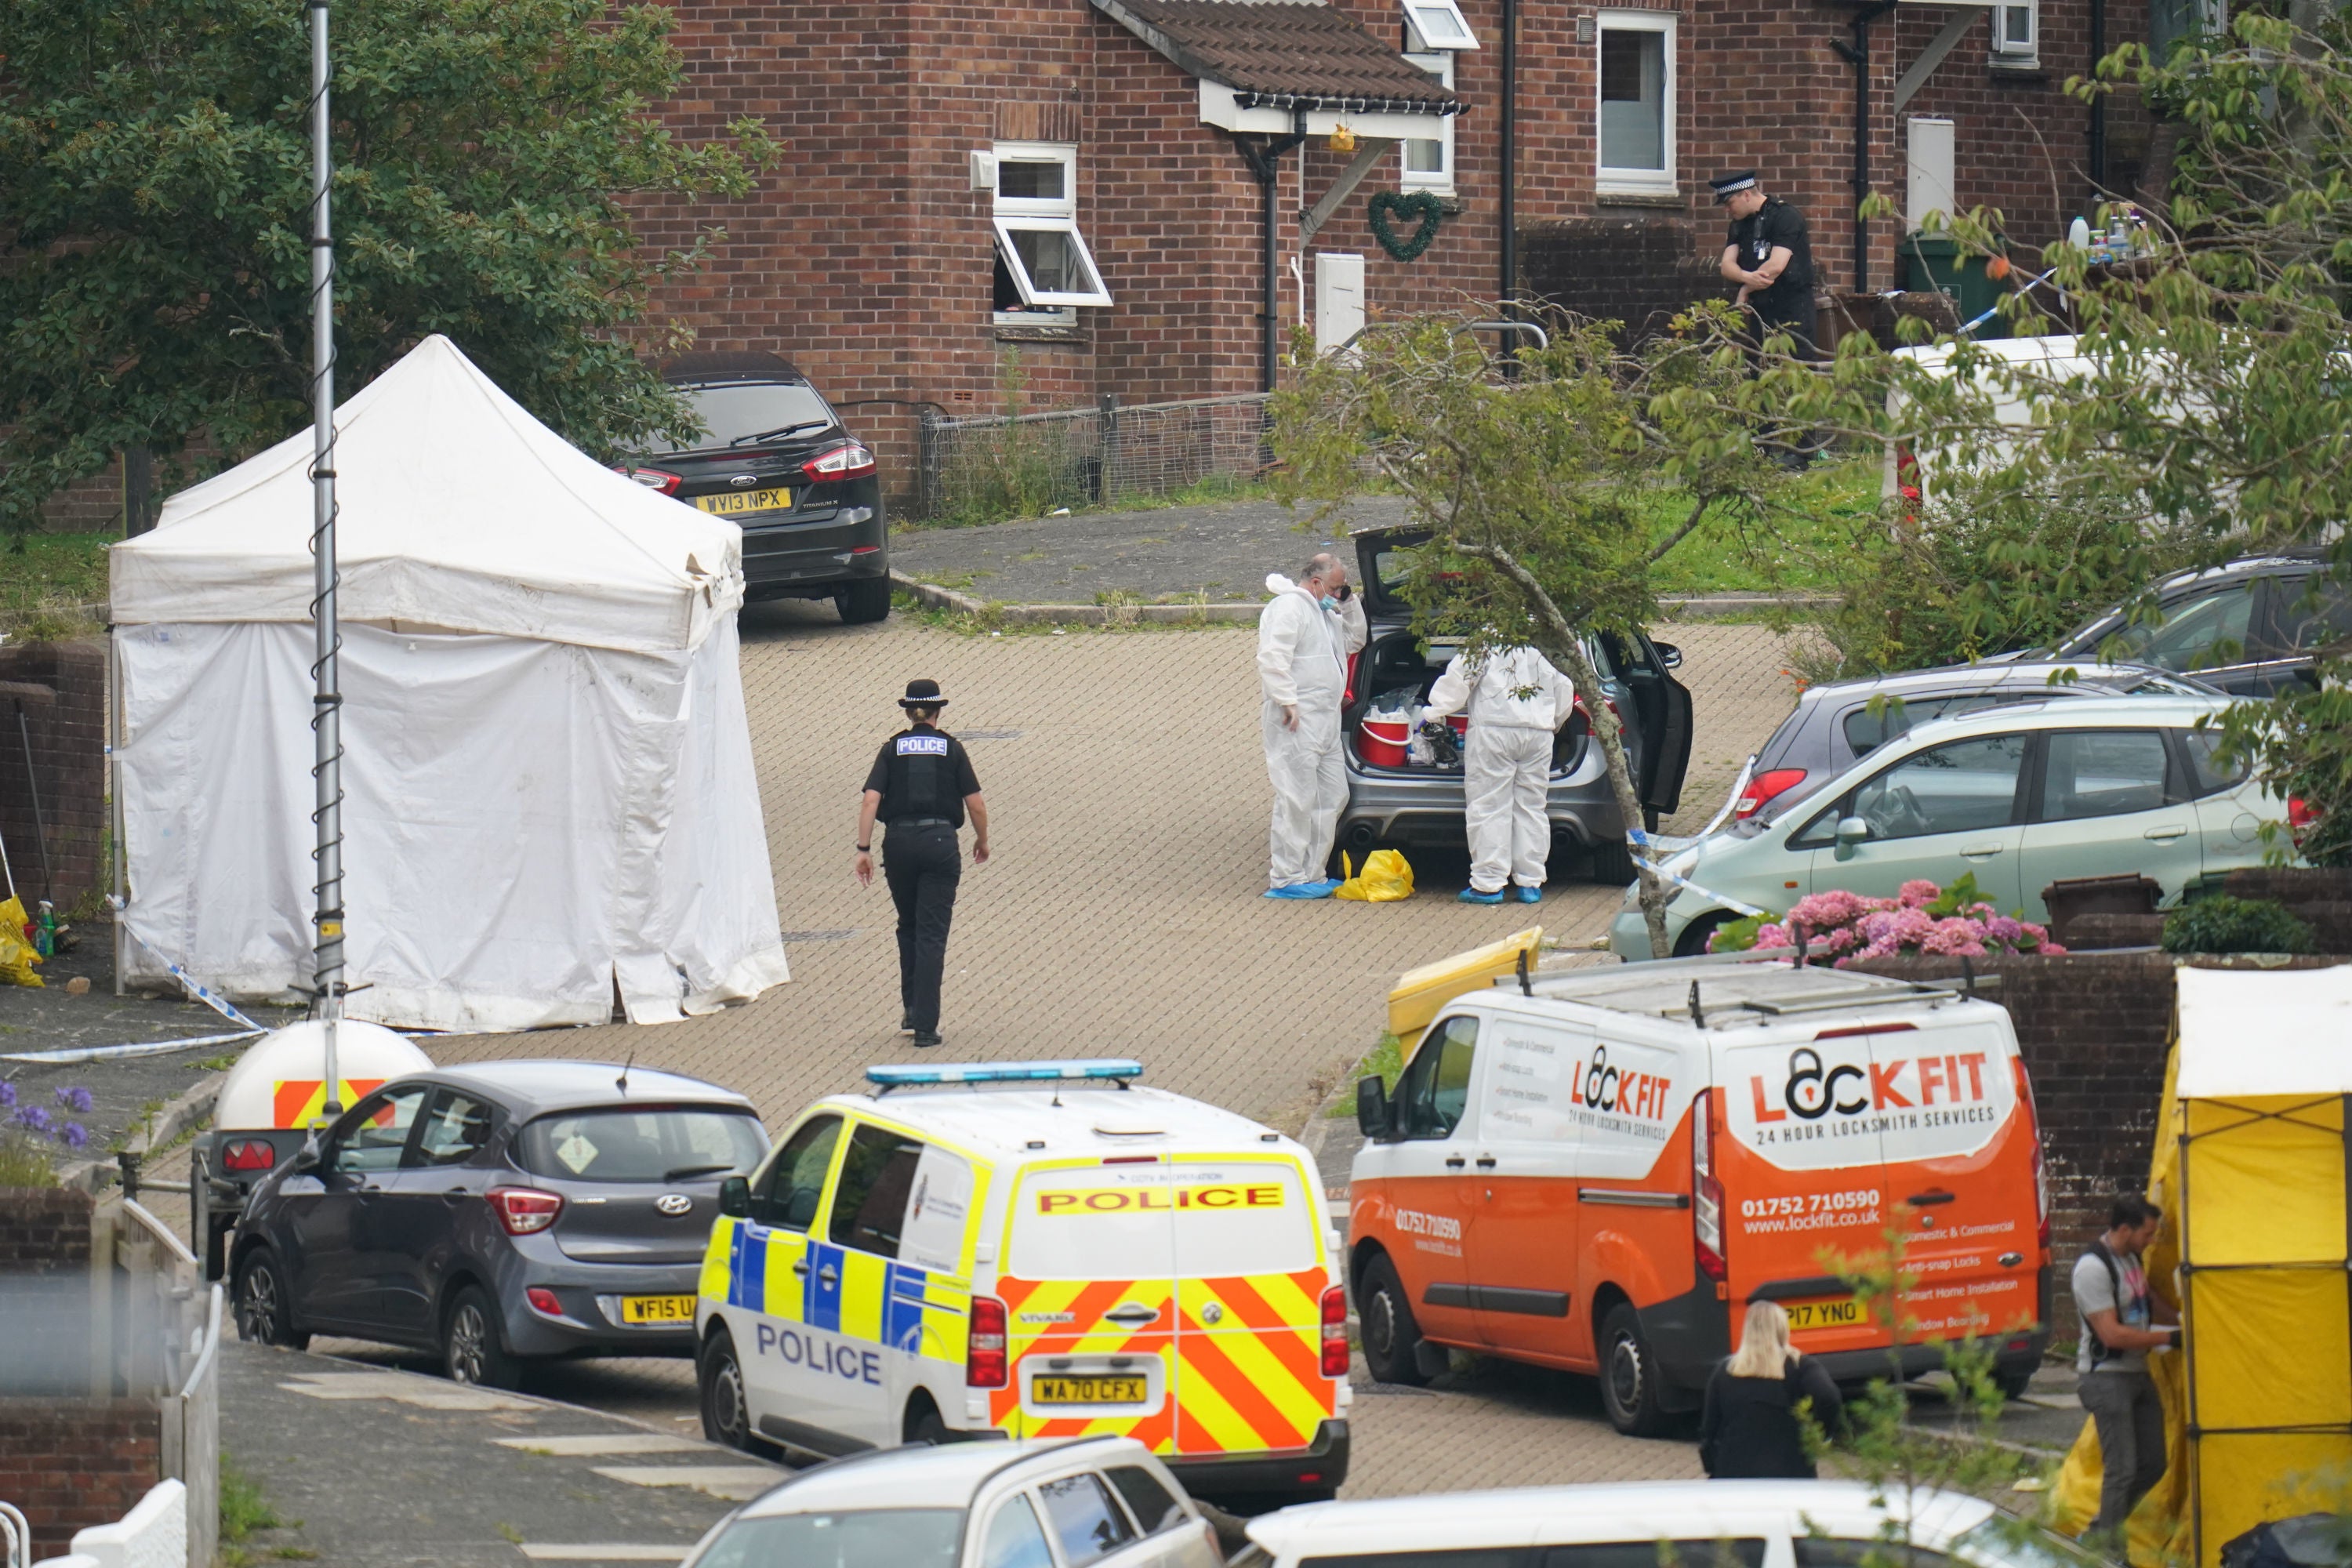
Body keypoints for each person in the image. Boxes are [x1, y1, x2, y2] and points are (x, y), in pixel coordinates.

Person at [855, 680, 989, 1048]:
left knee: (909, 925)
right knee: (932, 933)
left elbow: (870, 801)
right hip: (940, 843)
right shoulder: (952, 749)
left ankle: (912, 1009)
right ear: (937, 711)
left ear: (907, 712)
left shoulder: (891, 749)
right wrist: (982, 839)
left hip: (898, 843)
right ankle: (927, 1027)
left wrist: (863, 849)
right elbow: (975, 804)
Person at [1420, 642, 1577, 905]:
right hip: (1539, 733)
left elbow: (1458, 680)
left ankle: (1488, 885)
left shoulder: (1485, 642)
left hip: (1494, 730)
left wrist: (1433, 714)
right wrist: (1553, 724)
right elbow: (1565, 689)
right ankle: (1530, 882)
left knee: (1490, 805)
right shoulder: (1545, 642)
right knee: (1531, 806)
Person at [1257, 553, 1367, 898]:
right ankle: (1287, 877)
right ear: (1316, 581)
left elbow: (1356, 640)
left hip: (1325, 722)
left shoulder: (1326, 615)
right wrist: (1287, 700)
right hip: (1296, 719)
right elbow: (1273, 656)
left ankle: (1313, 873)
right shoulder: (1289, 608)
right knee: (1296, 797)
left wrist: (1348, 603)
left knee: (1333, 795)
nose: (1338, 594)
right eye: (1335, 587)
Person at [2074, 1194, 2181, 1552]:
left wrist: (2185, 1320)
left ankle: (2100, 1533)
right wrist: (2170, 1337)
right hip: (2107, 1378)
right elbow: (2111, 1333)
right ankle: (2110, 1555)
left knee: (2152, 1463)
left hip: (2136, 1372)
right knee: (2121, 1470)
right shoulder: (2092, 1268)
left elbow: (2146, 1299)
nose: (2152, 1241)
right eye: (2147, 1234)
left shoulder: (2131, 1258)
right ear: (2124, 1229)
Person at [1698, 1300, 1845, 1479]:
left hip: (1734, 1475)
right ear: (1782, 1329)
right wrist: (1820, 1436)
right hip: (1791, 1472)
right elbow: (1829, 1398)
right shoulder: (1800, 1366)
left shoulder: (1725, 1370)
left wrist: (1714, 1466)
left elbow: (1708, 1430)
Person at [1713, 170, 1817, 354]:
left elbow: (1776, 265)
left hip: (1792, 310)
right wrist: (1747, 277)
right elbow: (1727, 266)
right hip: (1760, 311)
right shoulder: (1739, 224)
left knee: (1795, 371)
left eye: (1729, 203)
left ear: (1746, 195)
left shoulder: (1785, 216)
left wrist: (1745, 289)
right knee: (1759, 372)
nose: (1727, 210)